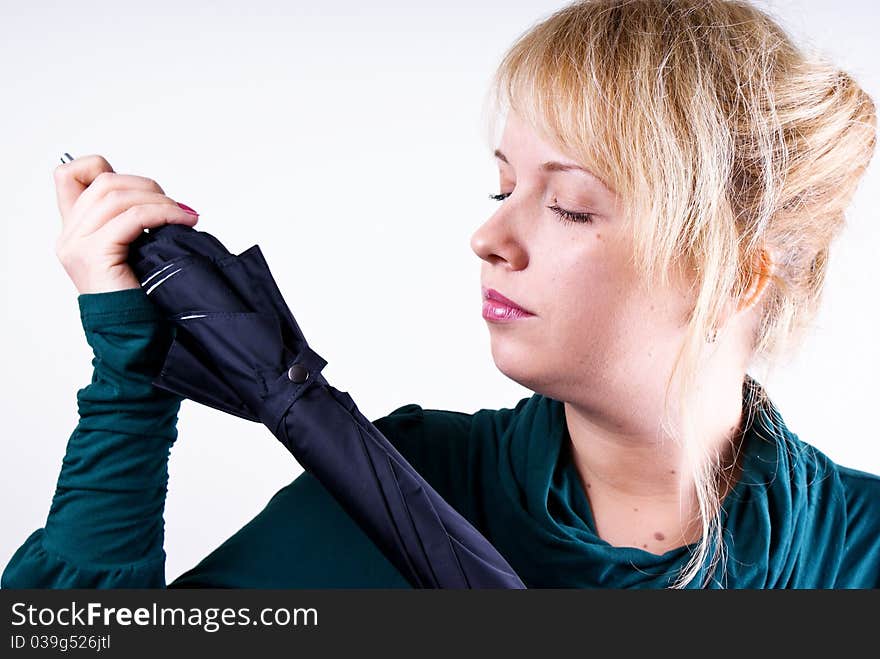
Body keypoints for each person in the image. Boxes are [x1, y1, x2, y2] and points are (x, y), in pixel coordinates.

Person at [2, 0, 878, 590]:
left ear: (739, 273)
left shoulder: (859, 551)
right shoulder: (399, 483)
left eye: (570, 205)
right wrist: (129, 387)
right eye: (504, 190)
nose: (490, 238)